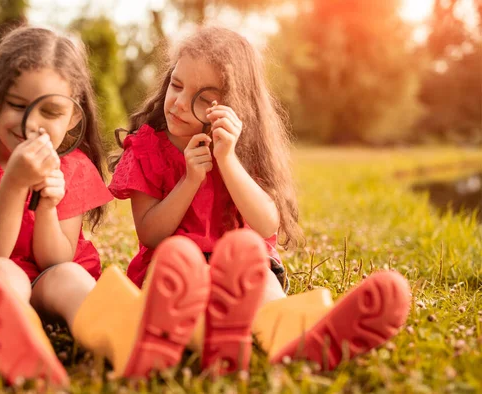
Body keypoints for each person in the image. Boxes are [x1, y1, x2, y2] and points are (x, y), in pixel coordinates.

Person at [108, 26, 411, 374]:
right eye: (176, 85)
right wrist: (190, 180)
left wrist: (227, 160)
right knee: (178, 292)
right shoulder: (147, 148)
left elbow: (267, 223)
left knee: (261, 282)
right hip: (174, 267)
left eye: (202, 98)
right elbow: (150, 234)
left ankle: (303, 337)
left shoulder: (246, 151)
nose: (177, 102)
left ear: (232, 107)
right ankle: (220, 336)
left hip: (243, 263)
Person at [0, 26, 211, 387]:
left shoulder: (72, 167)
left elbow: (55, 260)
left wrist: (47, 205)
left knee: (71, 275)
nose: (33, 123)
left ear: (73, 117)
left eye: (52, 111)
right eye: (16, 105)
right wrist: (13, 183)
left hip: (45, 278)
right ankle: (18, 342)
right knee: (3, 271)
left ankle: (124, 342)